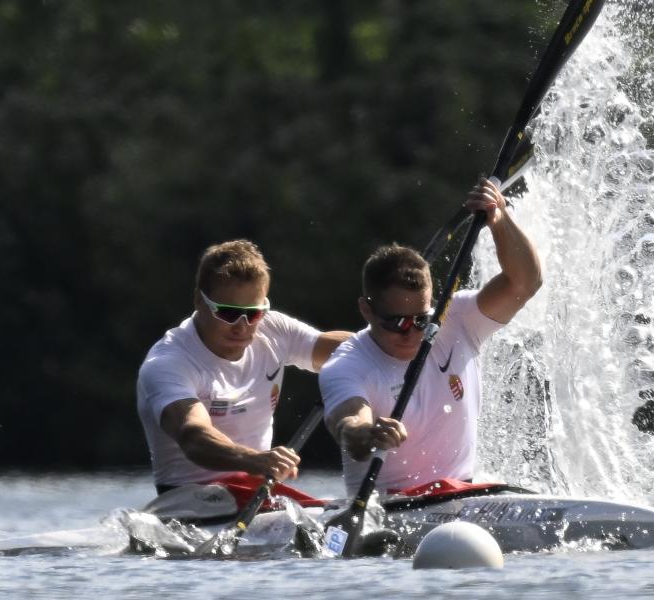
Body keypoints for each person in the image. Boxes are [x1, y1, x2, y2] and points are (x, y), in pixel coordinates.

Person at [319, 178, 542, 495]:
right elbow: (348, 426)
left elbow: (525, 283)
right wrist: (367, 434)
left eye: (421, 319)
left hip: (461, 493)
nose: (411, 332)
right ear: (366, 310)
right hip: (388, 507)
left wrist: (499, 218)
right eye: (396, 322)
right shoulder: (347, 364)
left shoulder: (457, 318)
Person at [136, 239, 351, 506]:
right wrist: (254, 460)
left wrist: (404, 334)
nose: (242, 326)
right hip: (191, 500)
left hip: (257, 493)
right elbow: (194, 436)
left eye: (254, 314)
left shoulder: (274, 331)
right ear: (199, 301)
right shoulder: (169, 363)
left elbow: (347, 351)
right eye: (227, 313)